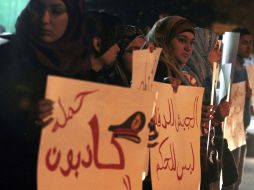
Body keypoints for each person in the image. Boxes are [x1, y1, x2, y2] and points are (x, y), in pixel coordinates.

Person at [0, 0, 87, 188]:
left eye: (56, 11)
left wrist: (139, 131)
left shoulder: (83, 65)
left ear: (73, 16)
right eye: (37, 8)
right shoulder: (5, 57)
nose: (44, 19)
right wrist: (24, 123)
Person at [222, 27, 253, 190]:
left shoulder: (242, 66)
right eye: (244, 43)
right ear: (235, 43)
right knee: (230, 180)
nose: (249, 47)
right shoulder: (228, 65)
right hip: (230, 131)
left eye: (250, 43)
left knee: (236, 180)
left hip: (240, 130)